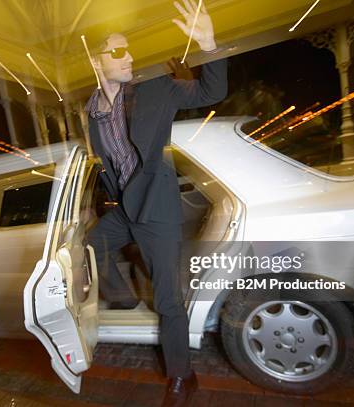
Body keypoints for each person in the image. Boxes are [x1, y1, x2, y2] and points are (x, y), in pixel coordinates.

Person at [84, 1, 227, 405]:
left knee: (167, 299)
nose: (129, 57)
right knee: (91, 247)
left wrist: (209, 45)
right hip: (124, 210)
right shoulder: (91, 110)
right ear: (96, 62)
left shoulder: (153, 89)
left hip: (157, 212)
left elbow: (210, 90)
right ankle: (125, 297)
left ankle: (182, 376)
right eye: (117, 52)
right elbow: (106, 163)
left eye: (128, 49)